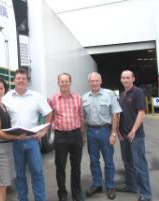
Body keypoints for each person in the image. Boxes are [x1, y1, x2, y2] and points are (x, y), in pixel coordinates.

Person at [3, 68, 52, 201]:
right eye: (18, 78)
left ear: (27, 81)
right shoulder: (6, 97)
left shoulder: (36, 96)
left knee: (37, 172)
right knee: (19, 175)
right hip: (15, 141)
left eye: (23, 78)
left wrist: (44, 131)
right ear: (14, 80)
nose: (20, 81)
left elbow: (48, 113)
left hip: (32, 141)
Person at [0, 77, 27, 201]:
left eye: (1, 88)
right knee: (1, 185)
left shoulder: (2, 104)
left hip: (7, 147)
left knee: (4, 185)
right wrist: (17, 137)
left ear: (5, 89)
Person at [82, 72, 122, 200]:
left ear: (100, 81)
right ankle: (97, 184)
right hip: (91, 132)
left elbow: (115, 114)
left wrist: (113, 133)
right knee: (94, 161)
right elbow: (82, 118)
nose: (94, 83)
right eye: (91, 81)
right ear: (89, 83)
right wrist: (83, 134)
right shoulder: (84, 98)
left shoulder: (109, 94)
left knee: (108, 161)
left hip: (105, 131)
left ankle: (110, 186)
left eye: (96, 80)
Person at [48, 73, 85, 201]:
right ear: (58, 83)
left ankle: (77, 193)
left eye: (66, 81)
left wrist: (82, 134)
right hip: (61, 136)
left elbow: (81, 117)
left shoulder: (78, 98)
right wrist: (54, 125)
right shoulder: (52, 100)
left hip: (76, 135)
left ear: (70, 82)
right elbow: (49, 117)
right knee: (60, 167)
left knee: (76, 166)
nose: (64, 83)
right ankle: (62, 194)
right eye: (61, 81)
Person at [117, 70, 152, 201]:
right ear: (121, 80)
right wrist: (118, 131)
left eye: (128, 77)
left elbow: (141, 112)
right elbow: (119, 114)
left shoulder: (137, 92)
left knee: (140, 164)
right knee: (127, 162)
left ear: (133, 79)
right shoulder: (122, 94)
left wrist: (133, 130)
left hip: (136, 136)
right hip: (124, 135)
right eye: (123, 78)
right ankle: (131, 185)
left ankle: (146, 194)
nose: (125, 80)